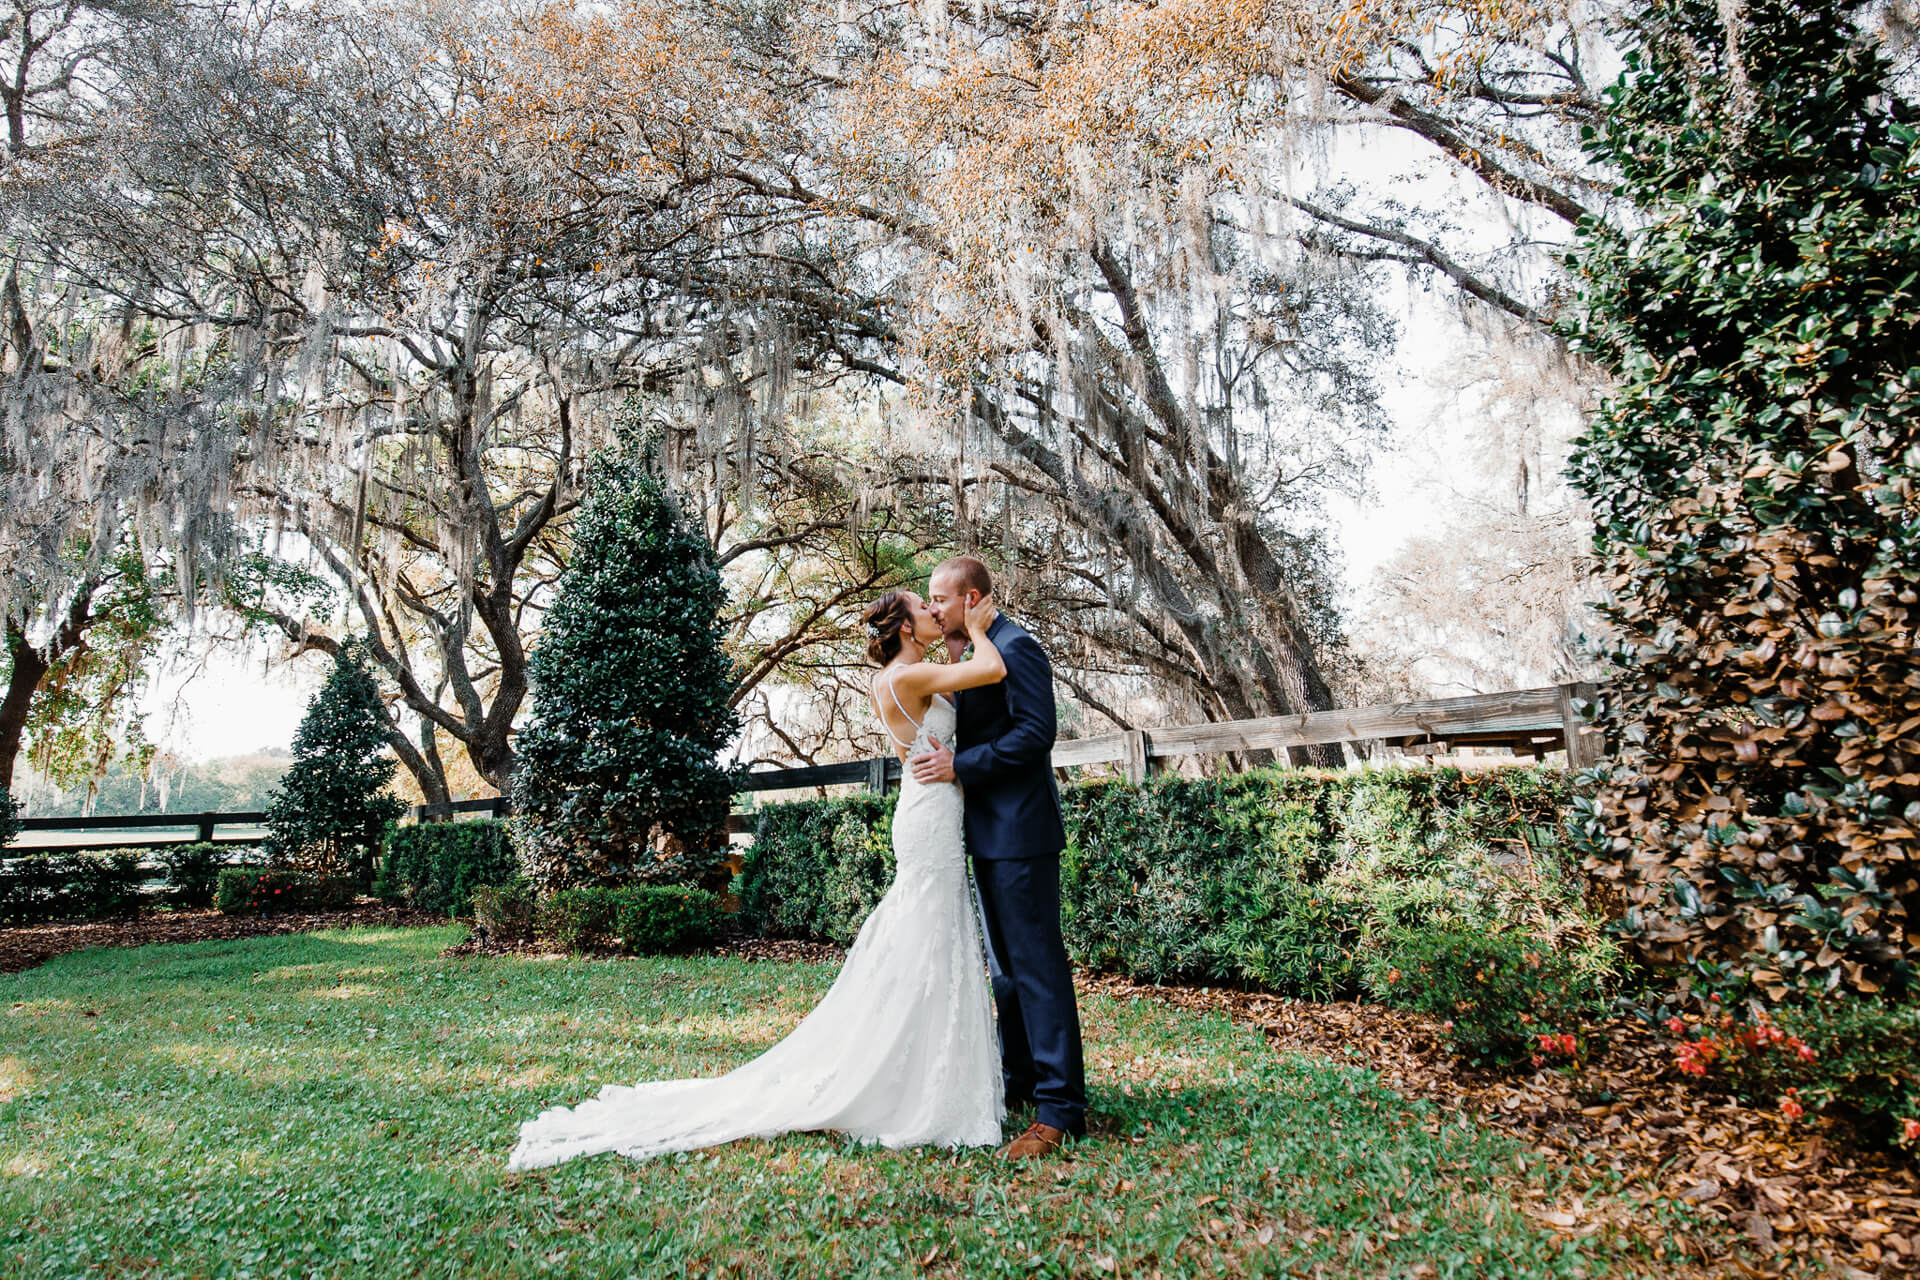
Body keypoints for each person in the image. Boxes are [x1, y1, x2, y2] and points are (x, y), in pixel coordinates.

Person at [505, 587, 1008, 1171]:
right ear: (901, 628)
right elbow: (991, 667)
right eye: (924, 609)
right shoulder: (907, 676)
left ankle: (925, 1069)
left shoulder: (909, 673)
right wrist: (974, 624)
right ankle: (916, 1081)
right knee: (929, 931)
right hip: (929, 815)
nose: (933, 611)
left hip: (931, 809)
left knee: (929, 934)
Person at [913, 555, 1087, 1160]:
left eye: (940, 598)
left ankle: (1061, 1109)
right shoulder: (972, 653)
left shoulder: (1018, 646)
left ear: (973, 598)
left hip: (1021, 833)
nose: (933, 608)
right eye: (928, 601)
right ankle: (1021, 1087)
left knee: (1036, 969)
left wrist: (959, 765)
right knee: (1006, 973)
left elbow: (1036, 733)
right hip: (984, 834)